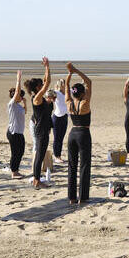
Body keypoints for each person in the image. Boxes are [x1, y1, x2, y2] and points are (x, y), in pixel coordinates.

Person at [65, 62, 93, 204]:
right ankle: (83, 197)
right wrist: (75, 70)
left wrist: (69, 75)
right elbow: (89, 82)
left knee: (72, 165)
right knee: (84, 165)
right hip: (83, 133)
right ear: (82, 93)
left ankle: (71, 197)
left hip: (72, 133)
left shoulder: (69, 102)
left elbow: (66, 88)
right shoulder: (84, 104)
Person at [23, 57, 52, 189]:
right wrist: (47, 66)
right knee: (39, 156)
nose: (43, 86)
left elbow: (46, 81)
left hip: (44, 129)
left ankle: (37, 179)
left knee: (40, 155)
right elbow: (48, 83)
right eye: (40, 85)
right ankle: (36, 180)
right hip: (41, 131)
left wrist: (46, 70)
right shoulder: (37, 98)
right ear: (37, 88)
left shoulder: (39, 97)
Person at [6, 70, 26, 179]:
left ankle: (16, 170)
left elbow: (25, 112)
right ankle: (14, 172)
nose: (22, 97)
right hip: (13, 132)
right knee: (15, 153)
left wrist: (25, 103)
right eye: (20, 96)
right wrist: (18, 79)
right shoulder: (12, 104)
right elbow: (17, 91)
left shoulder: (18, 105)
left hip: (19, 132)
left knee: (21, 151)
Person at [51, 78, 69, 165]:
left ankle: (59, 156)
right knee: (56, 138)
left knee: (61, 138)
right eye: (62, 83)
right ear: (59, 84)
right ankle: (56, 156)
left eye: (64, 83)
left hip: (65, 117)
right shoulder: (57, 93)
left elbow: (76, 90)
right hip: (57, 118)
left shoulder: (66, 93)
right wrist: (55, 89)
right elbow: (49, 93)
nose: (63, 84)